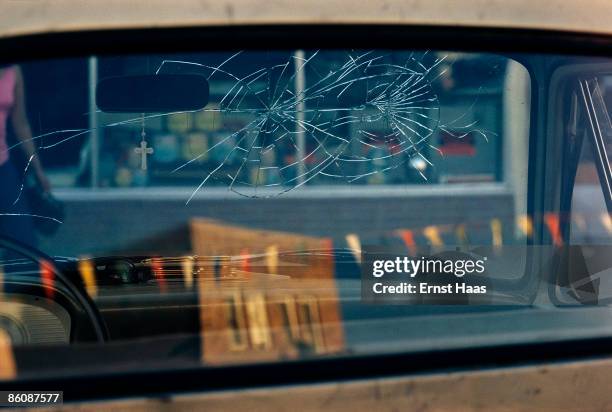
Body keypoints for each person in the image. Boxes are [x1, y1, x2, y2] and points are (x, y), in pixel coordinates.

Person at [0, 64, 51, 247]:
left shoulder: (13, 71)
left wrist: (38, 171)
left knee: (23, 241)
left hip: (2, 167)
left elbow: (21, 123)